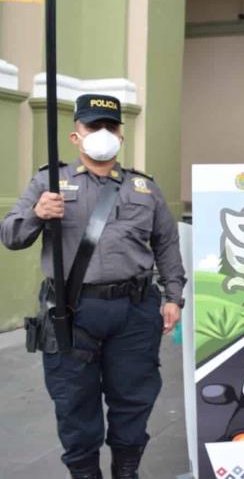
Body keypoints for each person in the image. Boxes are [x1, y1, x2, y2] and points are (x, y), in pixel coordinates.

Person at [0, 94, 186, 479]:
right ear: (76, 136)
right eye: (93, 126)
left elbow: (166, 244)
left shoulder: (143, 188)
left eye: (110, 126)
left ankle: (127, 470)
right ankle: (85, 474)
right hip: (72, 312)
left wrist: (173, 297)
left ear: (121, 133)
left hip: (135, 311)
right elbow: (11, 236)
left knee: (134, 398)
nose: (103, 133)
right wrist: (37, 215)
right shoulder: (49, 181)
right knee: (74, 402)